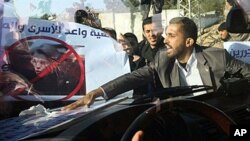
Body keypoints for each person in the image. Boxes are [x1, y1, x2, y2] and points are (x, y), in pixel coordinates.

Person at [62, 16, 250, 111]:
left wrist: (230, 93)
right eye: (166, 34)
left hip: (218, 118)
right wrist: (97, 92)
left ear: (189, 42)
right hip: (181, 121)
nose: (165, 40)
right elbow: (133, 77)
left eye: (171, 35)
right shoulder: (162, 59)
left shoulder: (218, 57)